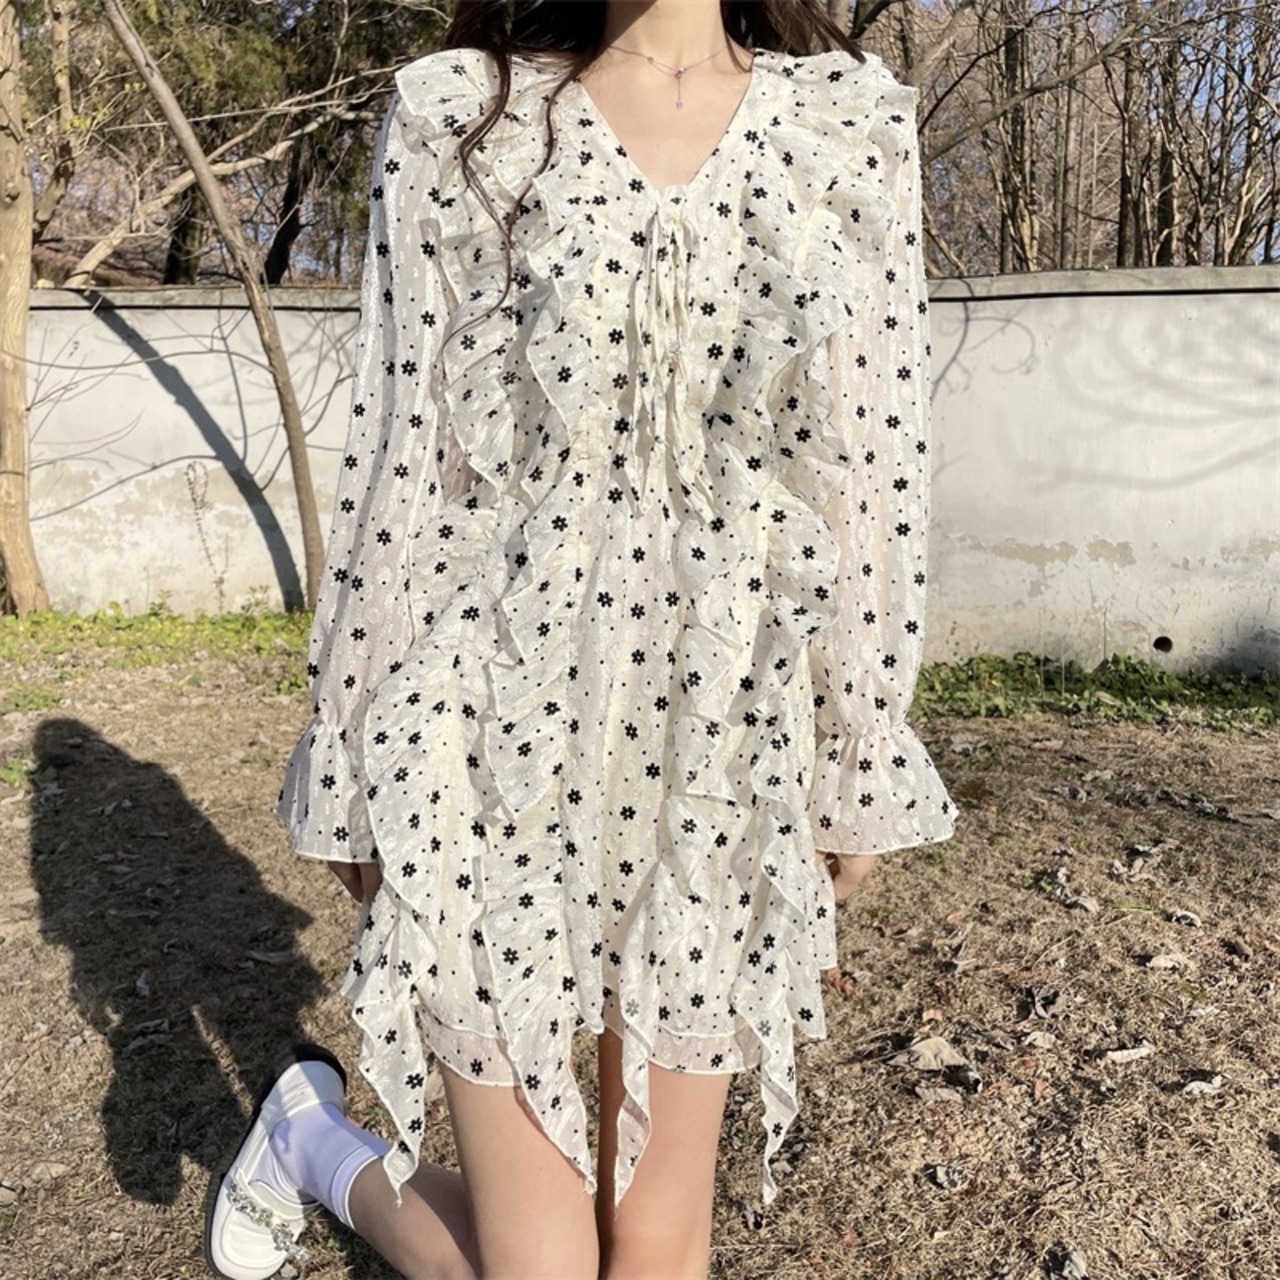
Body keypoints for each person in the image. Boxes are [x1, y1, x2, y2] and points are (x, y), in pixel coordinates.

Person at [204, 1, 959, 1277]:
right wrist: (353, 752)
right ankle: (316, 1145)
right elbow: (403, 456)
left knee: (654, 1248)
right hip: (486, 727)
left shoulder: (846, 127)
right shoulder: (463, 117)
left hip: (713, 745)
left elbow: (875, 461)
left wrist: (858, 736)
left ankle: (306, 1138)